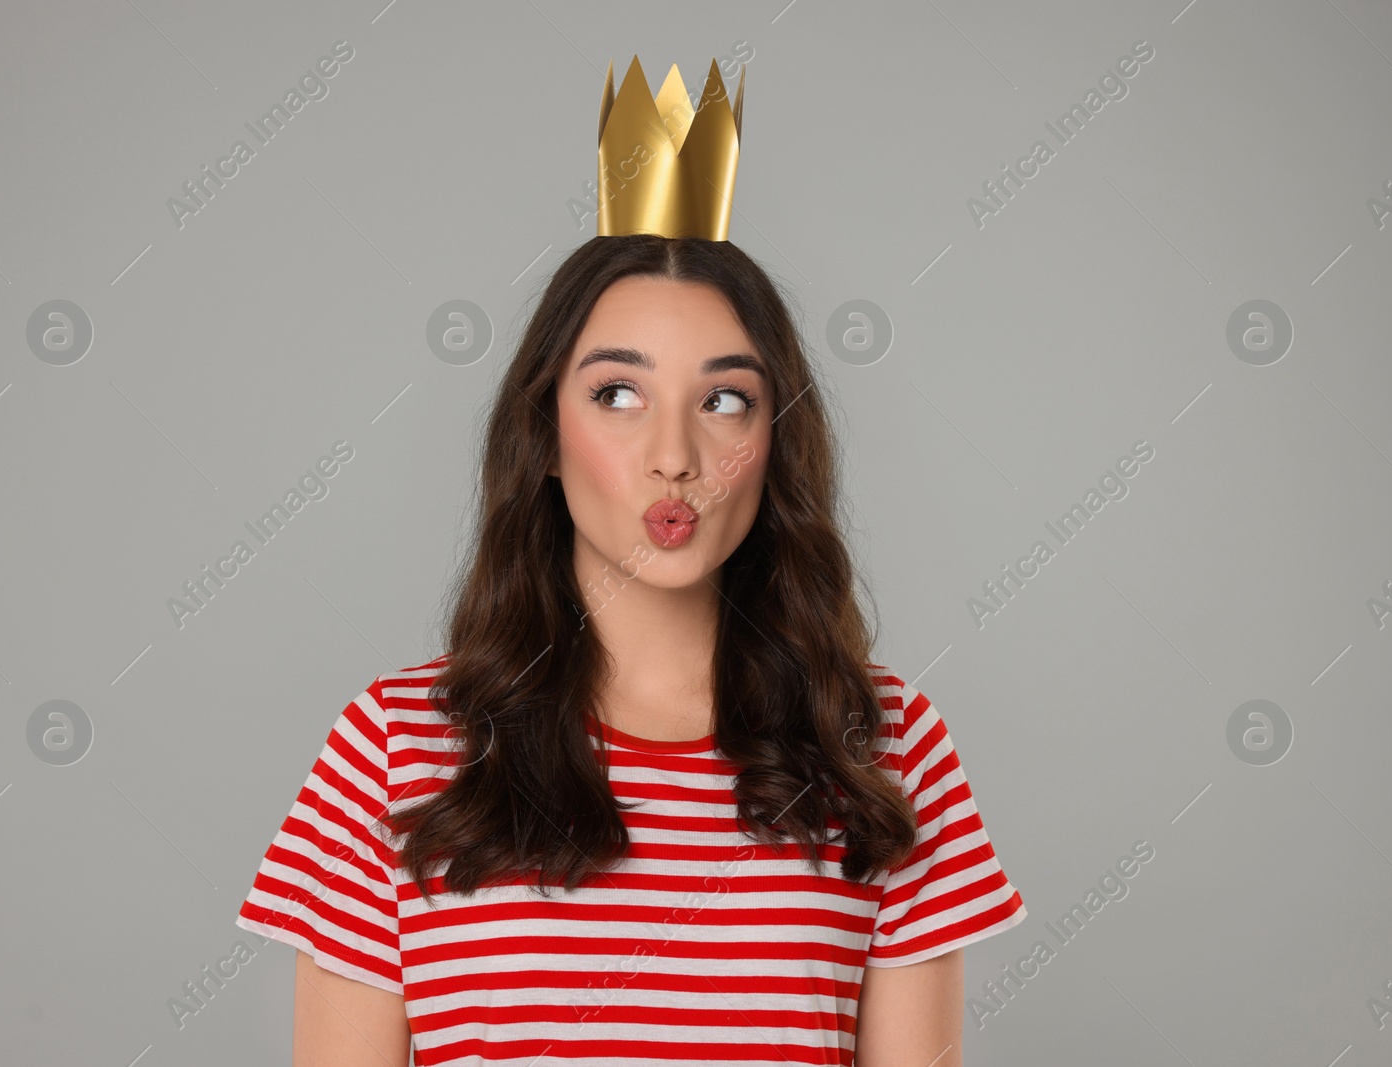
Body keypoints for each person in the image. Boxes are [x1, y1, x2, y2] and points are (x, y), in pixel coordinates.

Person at [235, 58, 1027, 1067]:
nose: (673, 454)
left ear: (774, 440)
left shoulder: (883, 744)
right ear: (546, 431)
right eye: (617, 392)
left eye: (724, 398)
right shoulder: (391, 749)